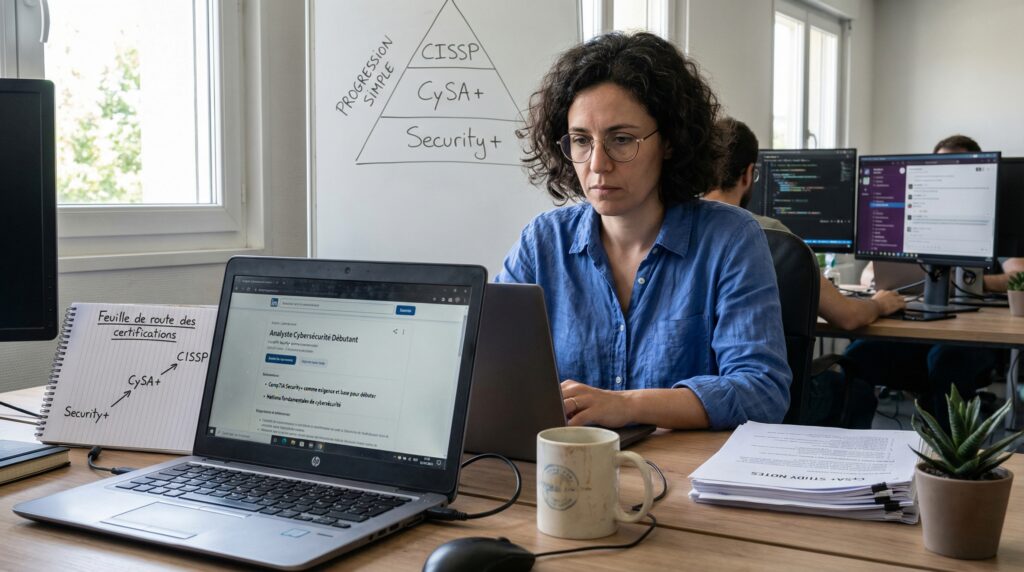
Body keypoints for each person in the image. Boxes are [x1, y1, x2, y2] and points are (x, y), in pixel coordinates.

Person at [496, 32, 791, 430]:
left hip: (683, 482)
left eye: (621, 140)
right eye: (582, 140)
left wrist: (629, 406)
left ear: (669, 142)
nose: (597, 164)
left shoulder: (730, 239)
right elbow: (488, 366)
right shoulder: (542, 243)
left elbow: (762, 391)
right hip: (564, 473)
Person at [846, 134, 1014, 427]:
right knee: (856, 357)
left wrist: (975, 285)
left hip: (970, 338)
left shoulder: (995, 217)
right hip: (916, 330)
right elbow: (869, 274)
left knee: (946, 362)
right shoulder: (916, 212)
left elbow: (1018, 277)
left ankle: (945, 461)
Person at [703, 118, 906, 331]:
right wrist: (878, 304)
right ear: (748, 174)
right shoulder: (773, 235)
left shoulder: (676, 228)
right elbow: (848, 317)